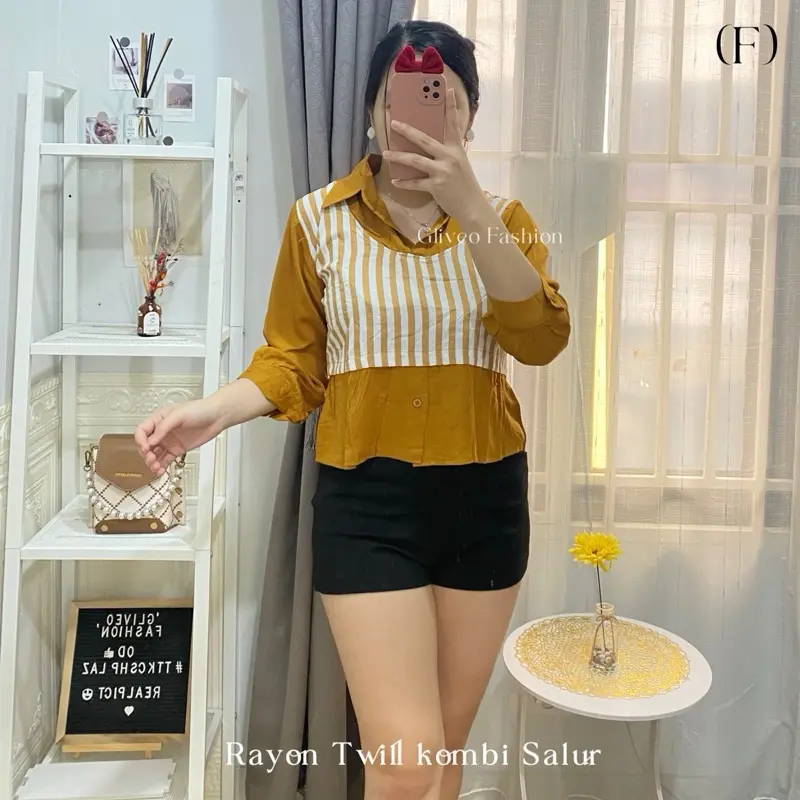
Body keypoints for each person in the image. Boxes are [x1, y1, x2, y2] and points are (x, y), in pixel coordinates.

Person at [134, 20, 570, 800]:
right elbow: (292, 361)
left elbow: (539, 338)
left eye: (442, 99)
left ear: (470, 115)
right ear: (371, 111)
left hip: (486, 502)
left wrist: (469, 207)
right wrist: (214, 412)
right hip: (367, 507)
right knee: (403, 759)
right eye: (396, 100)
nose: (414, 118)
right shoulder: (317, 222)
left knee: (443, 748)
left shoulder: (505, 224)